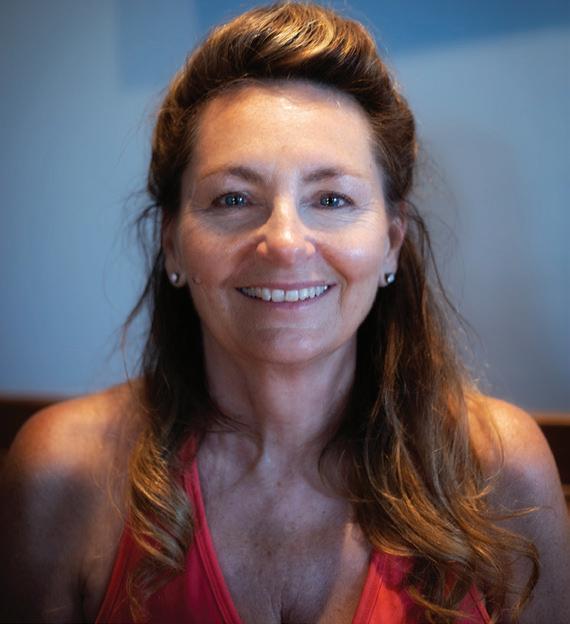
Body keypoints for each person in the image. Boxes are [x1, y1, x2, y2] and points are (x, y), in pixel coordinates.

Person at [1, 2, 568, 623]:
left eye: (331, 199)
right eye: (233, 199)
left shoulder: (501, 470)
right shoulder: (66, 475)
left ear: (391, 242)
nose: (286, 242)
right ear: (172, 243)